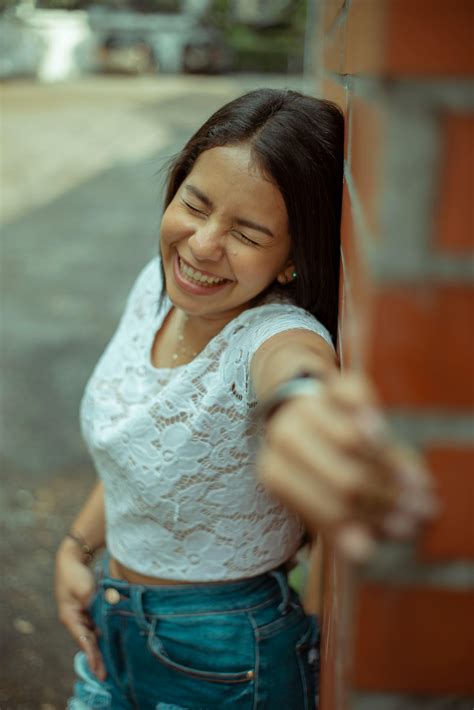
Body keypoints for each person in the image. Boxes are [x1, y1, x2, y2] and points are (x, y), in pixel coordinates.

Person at [55, 88, 437, 709]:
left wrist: (302, 407)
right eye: (194, 204)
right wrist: (77, 547)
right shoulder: (156, 286)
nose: (203, 245)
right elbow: (139, 446)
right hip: (112, 625)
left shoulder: (270, 334)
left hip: (225, 661)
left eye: (249, 234)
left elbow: (295, 370)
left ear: (291, 260)